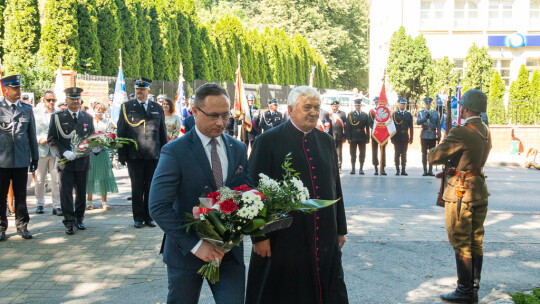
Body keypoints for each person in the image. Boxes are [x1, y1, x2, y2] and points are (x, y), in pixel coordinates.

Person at [149, 83, 252, 304]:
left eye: (225, 115)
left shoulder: (238, 148)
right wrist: (196, 246)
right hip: (185, 253)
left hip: (229, 254)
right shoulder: (174, 151)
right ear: (194, 111)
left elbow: (247, 192)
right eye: (213, 115)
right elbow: (158, 206)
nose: (220, 122)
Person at [246, 86, 348, 304]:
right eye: (307, 107)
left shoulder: (327, 141)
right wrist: (259, 237)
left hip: (325, 233)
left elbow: (335, 188)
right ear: (291, 110)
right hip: (283, 236)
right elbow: (254, 192)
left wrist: (340, 229)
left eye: (316, 108)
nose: (313, 112)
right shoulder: (268, 141)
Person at [428, 89, 492, 304]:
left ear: (464, 108)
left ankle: (464, 291)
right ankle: (473, 288)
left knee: (461, 241)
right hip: (479, 189)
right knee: (476, 240)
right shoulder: (485, 129)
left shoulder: (461, 131)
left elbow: (434, 157)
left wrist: (445, 141)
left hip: (460, 193)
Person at [117, 77, 167, 228]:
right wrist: (122, 154)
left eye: (142, 90)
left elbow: (162, 132)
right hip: (135, 155)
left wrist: (164, 154)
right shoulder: (127, 107)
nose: (139, 92)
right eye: (137, 89)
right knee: (137, 186)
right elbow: (121, 132)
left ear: (148, 91)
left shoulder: (157, 108)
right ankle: (138, 217)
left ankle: (149, 216)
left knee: (151, 187)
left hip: (153, 154)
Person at [48, 87, 95, 235]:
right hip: (66, 162)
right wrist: (63, 152)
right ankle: (69, 221)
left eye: (77, 99)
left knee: (81, 193)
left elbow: (92, 138)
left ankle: (79, 218)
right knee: (66, 193)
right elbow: (52, 139)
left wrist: (96, 147)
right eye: (72, 99)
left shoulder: (87, 117)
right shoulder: (57, 117)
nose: (75, 102)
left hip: (82, 161)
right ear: (66, 100)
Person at [0, 75, 39, 241]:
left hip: (22, 158)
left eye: (19, 88)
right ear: (5, 90)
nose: (18, 91)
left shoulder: (26, 109)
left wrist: (35, 157)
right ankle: (1, 227)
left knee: (21, 195)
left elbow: (32, 135)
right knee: (1, 195)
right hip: (2, 159)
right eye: (15, 88)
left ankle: (22, 226)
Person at [34, 91, 62, 215]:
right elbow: (31, 130)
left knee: (56, 179)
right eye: (48, 100)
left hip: (55, 151)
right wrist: (38, 139)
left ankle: (57, 205)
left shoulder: (59, 114)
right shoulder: (36, 114)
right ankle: (39, 203)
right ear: (43, 101)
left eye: (53, 100)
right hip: (42, 150)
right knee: (40, 179)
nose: (51, 102)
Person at [86, 101, 117, 211]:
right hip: (91, 151)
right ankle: (89, 201)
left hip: (103, 151)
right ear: (93, 109)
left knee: (103, 176)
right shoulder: (89, 121)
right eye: (98, 109)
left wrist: (106, 139)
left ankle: (104, 201)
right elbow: (86, 134)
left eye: (102, 109)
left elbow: (110, 134)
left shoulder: (107, 122)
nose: (100, 111)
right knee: (90, 177)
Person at [417, 97, 441, 176]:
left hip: (433, 134)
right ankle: (424, 170)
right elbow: (418, 122)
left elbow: (438, 124)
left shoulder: (435, 113)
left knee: (431, 153)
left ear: (431, 104)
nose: (428, 105)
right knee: (424, 153)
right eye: (426, 104)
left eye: (429, 104)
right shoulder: (421, 113)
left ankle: (430, 170)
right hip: (424, 134)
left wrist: (439, 134)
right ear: (424, 104)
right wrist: (425, 117)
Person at [345, 99, 370, 175]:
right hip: (353, 137)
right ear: (354, 106)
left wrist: (368, 137)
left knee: (362, 153)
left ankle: (361, 168)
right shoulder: (350, 115)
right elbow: (348, 128)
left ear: (361, 105)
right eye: (356, 105)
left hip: (362, 137)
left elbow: (367, 128)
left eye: (359, 105)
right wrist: (348, 137)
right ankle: (353, 168)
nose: (357, 106)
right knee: (353, 153)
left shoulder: (365, 115)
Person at [391, 98, 414, 176]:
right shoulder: (394, 114)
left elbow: (411, 127)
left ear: (405, 105)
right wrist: (392, 138)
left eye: (404, 104)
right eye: (401, 103)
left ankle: (403, 169)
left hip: (404, 136)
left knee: (404, 153)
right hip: (397, 136)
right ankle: (397, 169)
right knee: (397, 153)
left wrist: (411, 137)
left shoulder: (408, 114)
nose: (402, 105)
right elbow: (392, 127)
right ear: (398, 104)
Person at [369, 97, 387, 175]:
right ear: (375, 103)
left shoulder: (385, 111)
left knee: (383, 151)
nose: (377, 104)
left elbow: (387, 122)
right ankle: (376, 167)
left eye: (379, 102)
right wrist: (377, 128)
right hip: (375, 133)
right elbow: (370, 123)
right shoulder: (371, 112)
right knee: (374, 151)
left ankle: (382, 168)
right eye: (376, 102)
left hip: (383, 133)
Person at [329, 100, 347, 170]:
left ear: (338, 106)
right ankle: (333, 166)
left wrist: (345, 135)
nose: (334, 108)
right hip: (331, 136)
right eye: (333, 106)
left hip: (339, 135)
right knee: (331, 151)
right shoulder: (328, 115)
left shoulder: (342, 114)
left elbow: (345, 126)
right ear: (331, 107)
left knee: (339, 151)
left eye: (336, 106)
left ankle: (339, 166)